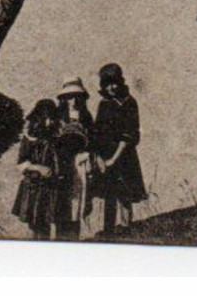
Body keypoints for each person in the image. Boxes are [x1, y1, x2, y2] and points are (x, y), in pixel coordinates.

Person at [89, 62, 147, 234]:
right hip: (105, 157)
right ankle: (108, 230)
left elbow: (129, 134)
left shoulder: (129, 102)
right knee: (109, 194)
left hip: (124, 156)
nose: (111, 87)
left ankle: (126, 228)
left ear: (120, 82)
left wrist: (114, 159)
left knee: (125, 193)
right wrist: (99, 157)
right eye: (107, 84)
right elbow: (96, 132)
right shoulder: (104, 104)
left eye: (114, 83)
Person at [11, 99, 62, 239]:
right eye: (47, 118)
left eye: (52, 118)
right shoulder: (30, 138)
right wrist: (39, 168)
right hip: (34, 187)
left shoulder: (54, 138)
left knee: (45, 225)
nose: (50, 122)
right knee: (34, 225)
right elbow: (21, 163)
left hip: (49, 188)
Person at [52, 77, 94, 239]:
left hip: (79, 162)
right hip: (61, 162)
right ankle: (60, 237)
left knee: (77, 200)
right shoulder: (57, 116)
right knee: (61, 200)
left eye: (77, 96)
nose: (73, 100)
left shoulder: (86, 116)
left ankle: (73, 237)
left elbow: (92, 139)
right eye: (70, 96)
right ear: (64, 98)